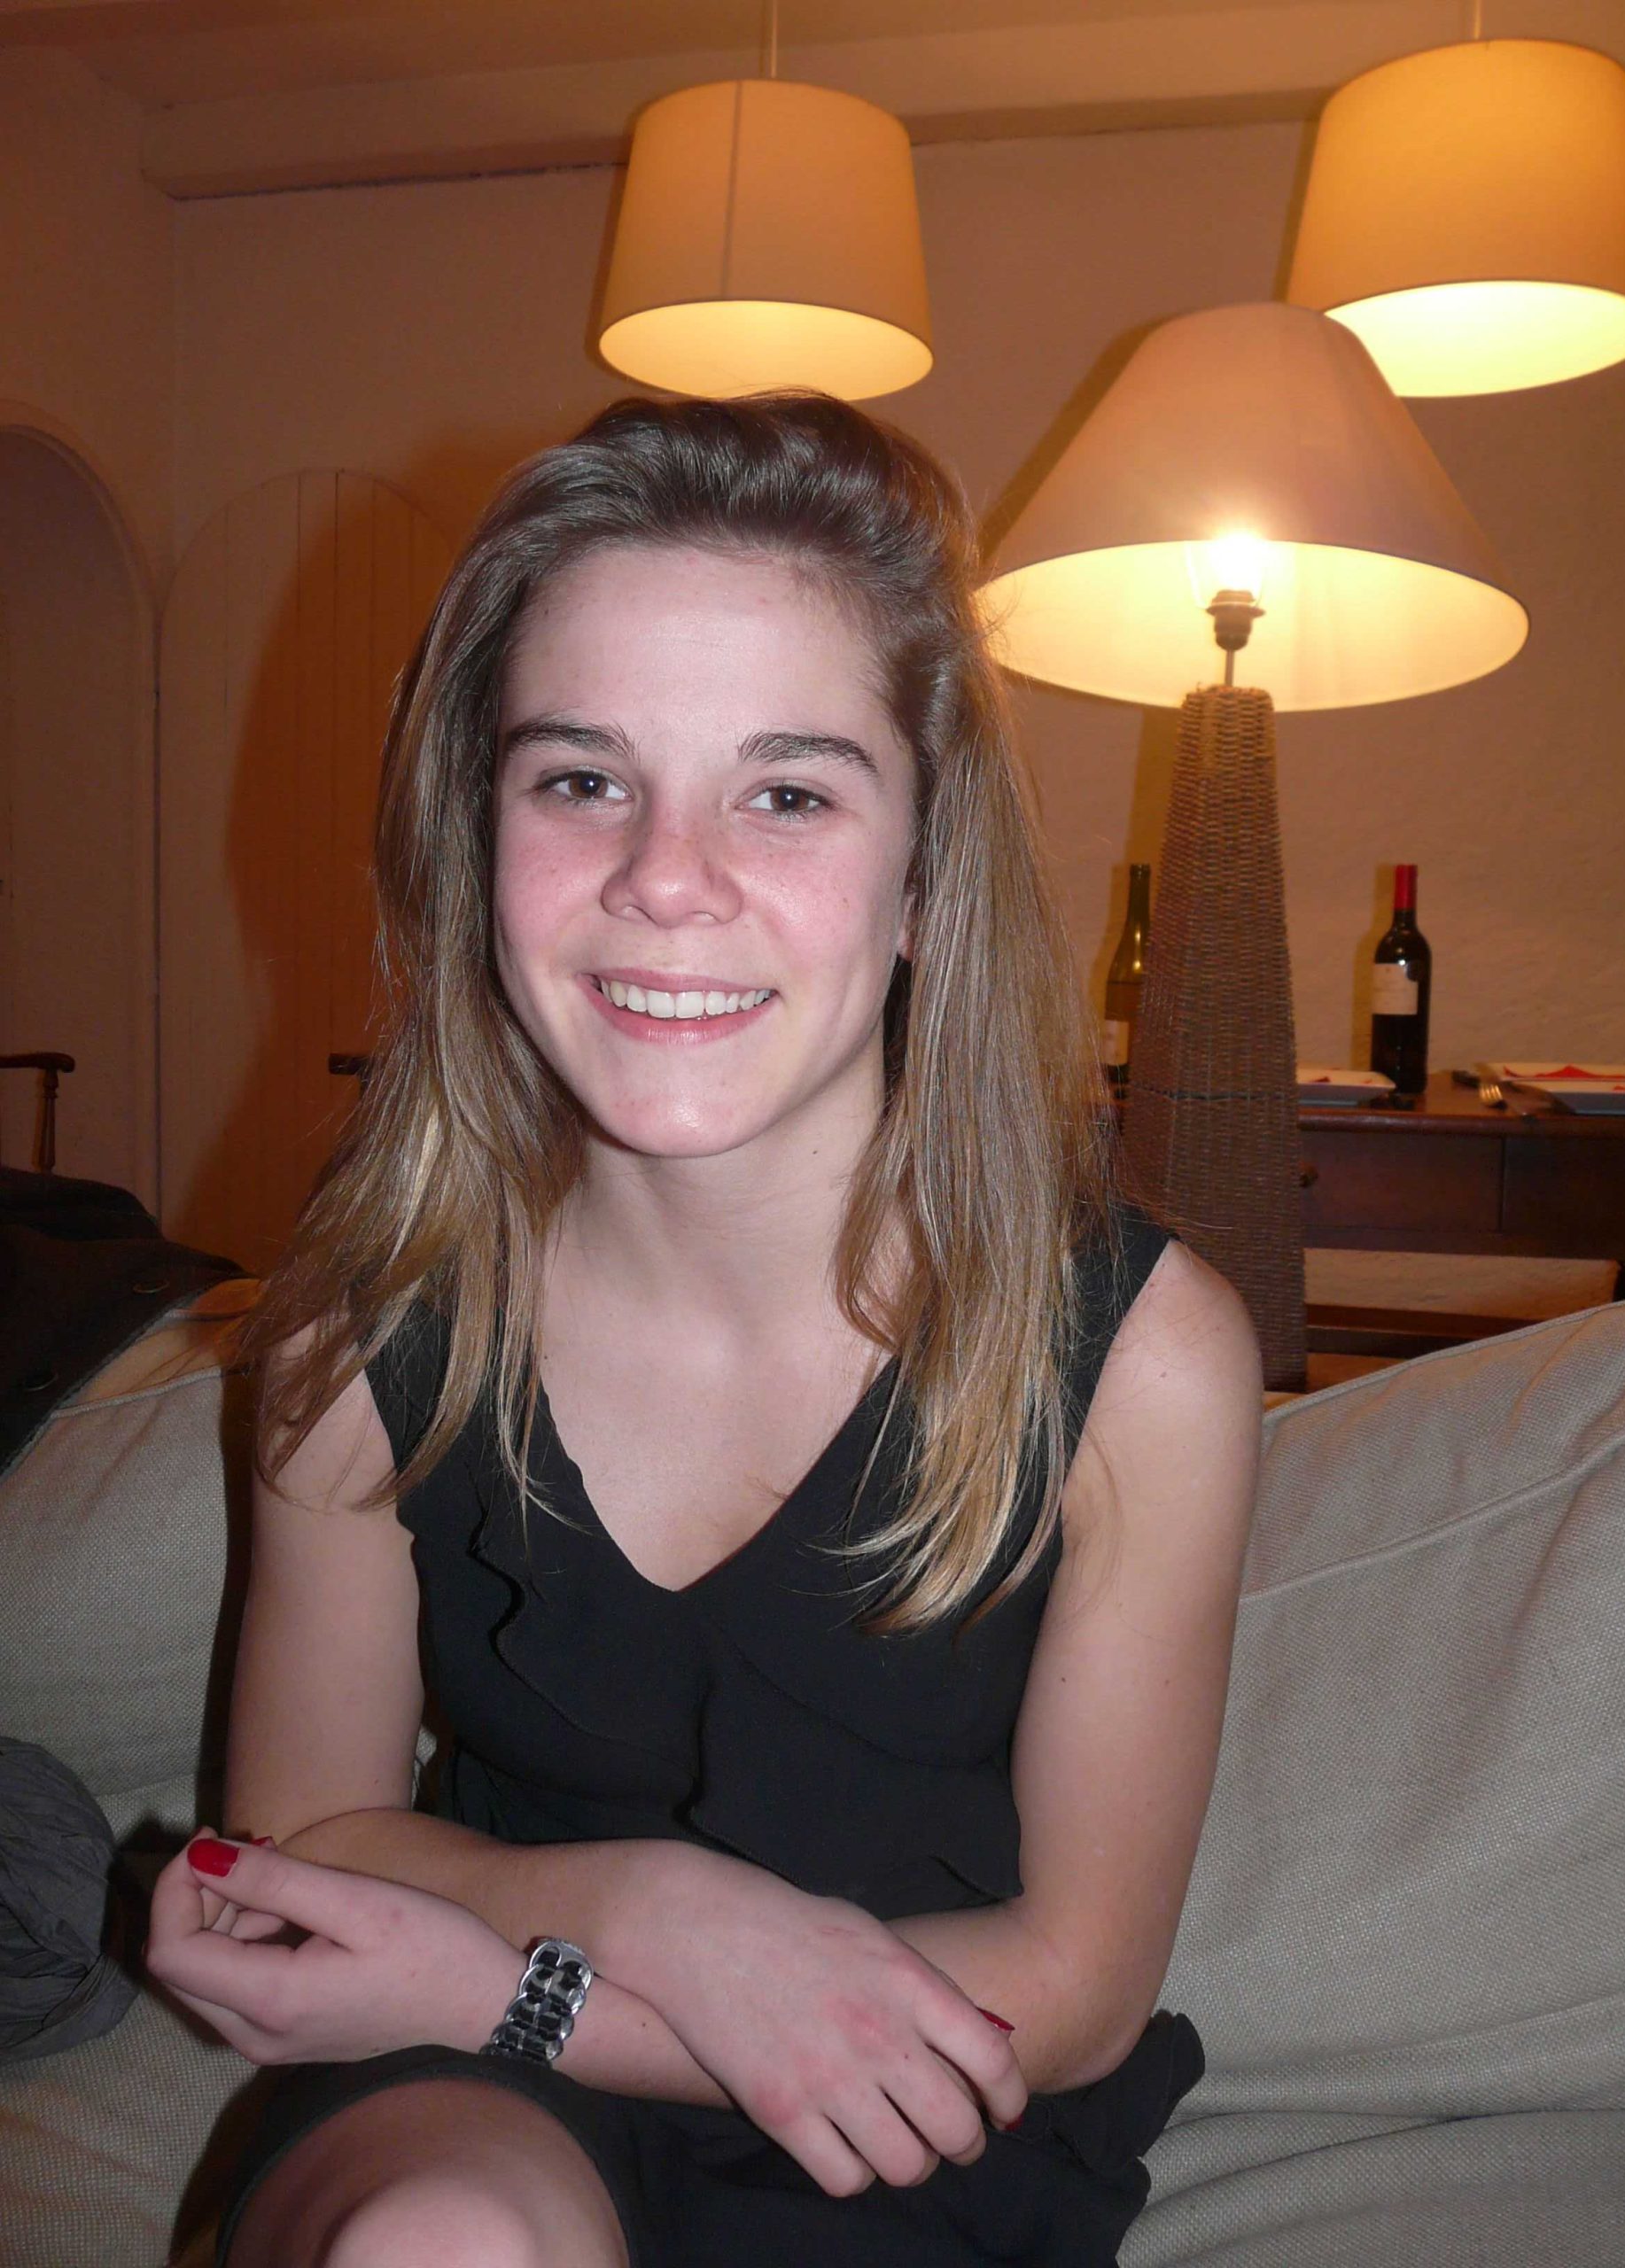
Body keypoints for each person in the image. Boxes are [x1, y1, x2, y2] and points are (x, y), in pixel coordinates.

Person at [145, 391, 1264, 2268]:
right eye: (581, 779)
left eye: (789, 791)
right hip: (464, 2085)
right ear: (474, 839)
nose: (667, 877)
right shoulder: (357, 1337)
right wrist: (648, 1910)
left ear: (926, 875)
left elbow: (1075, 1981)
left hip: (913, 2093)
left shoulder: (1141, 1358)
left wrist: (528, 1992)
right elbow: (305, 1846)